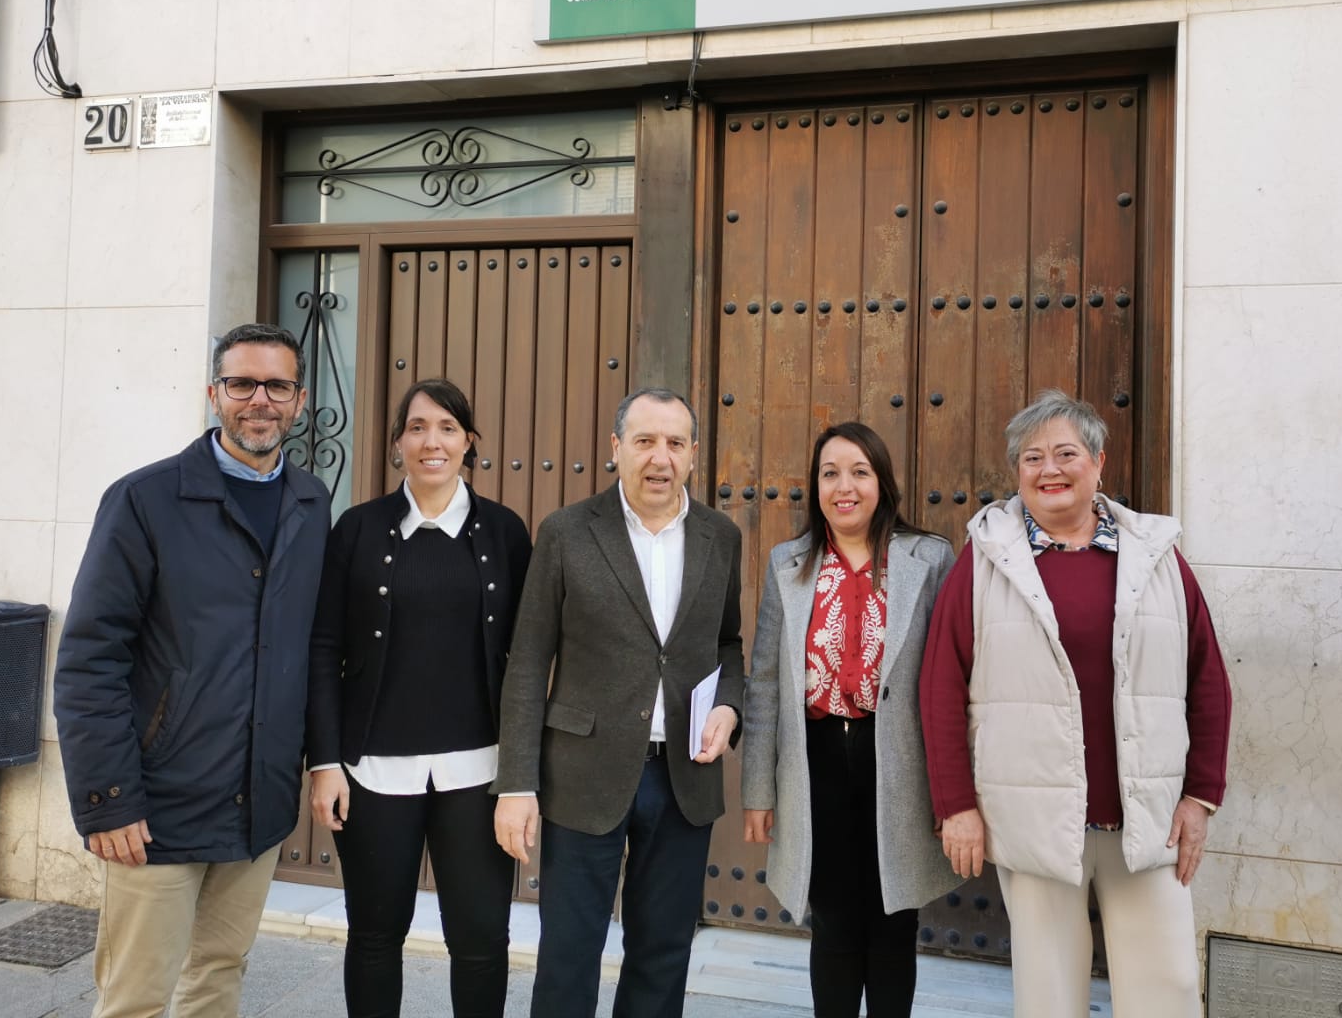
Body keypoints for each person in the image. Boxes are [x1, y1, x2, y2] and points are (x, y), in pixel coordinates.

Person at [919, 389, 1231, 1018]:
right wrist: (957, 807)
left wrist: (1200, 796)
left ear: (1099, 463)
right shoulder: (985, 562)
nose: (1050, 470)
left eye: (1066, 453)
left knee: (1165, 989)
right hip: (1033, 816)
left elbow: (1208, 681)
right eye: (1032, 458)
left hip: (1146, 817)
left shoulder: (1157, 559)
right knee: (1048, 994)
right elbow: (940, 687)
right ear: (1016, 473)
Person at [53, 322, 329, 1018]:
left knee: (217, 975)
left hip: (259, 802)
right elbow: (90, 657)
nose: (259, 400)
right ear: (215, 393)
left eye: (277, 385)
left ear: (298, 401)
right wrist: (107, 797)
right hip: (157, 808)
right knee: (136, 997)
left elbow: (311, 646)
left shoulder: (311, 503)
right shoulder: (145, 500)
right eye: (242, 383)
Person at [492, 386, 744, 1018]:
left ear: (692, 454)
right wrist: (516, 783)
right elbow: (527, 661)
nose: (660, 458)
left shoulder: (720, 535)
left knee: (663, 955)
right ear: (616, 449)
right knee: (569, 956)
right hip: (583, 774)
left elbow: (729, 644)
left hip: (684, 779)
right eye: (644, 441)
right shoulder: (567, 532)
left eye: (675, 443)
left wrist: (730, 708)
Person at [305, 378, 531, 1017]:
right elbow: (323, 649)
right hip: (374, 772)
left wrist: (523, 776)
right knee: (375, 938)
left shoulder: (506, 534)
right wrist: (324, 762)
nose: (432, 440)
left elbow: (528, 656)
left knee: (482, 941)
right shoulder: (355, 530)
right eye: (418, 427)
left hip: (478, 774)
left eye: (448, 428)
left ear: (469, 444)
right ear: (398, 442)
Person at [741, 422, 961, 1017]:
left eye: (860, 472)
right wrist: (759, 790)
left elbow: (952, 682)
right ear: (815, 486)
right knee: (833, 920)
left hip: (900, 762)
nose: (845, 486)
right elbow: (764, 681)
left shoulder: (929, 558)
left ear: (881, 483)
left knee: (893, 920)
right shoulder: (789, 563)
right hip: (815, 762)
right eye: (830, 473)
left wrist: (953, 796)